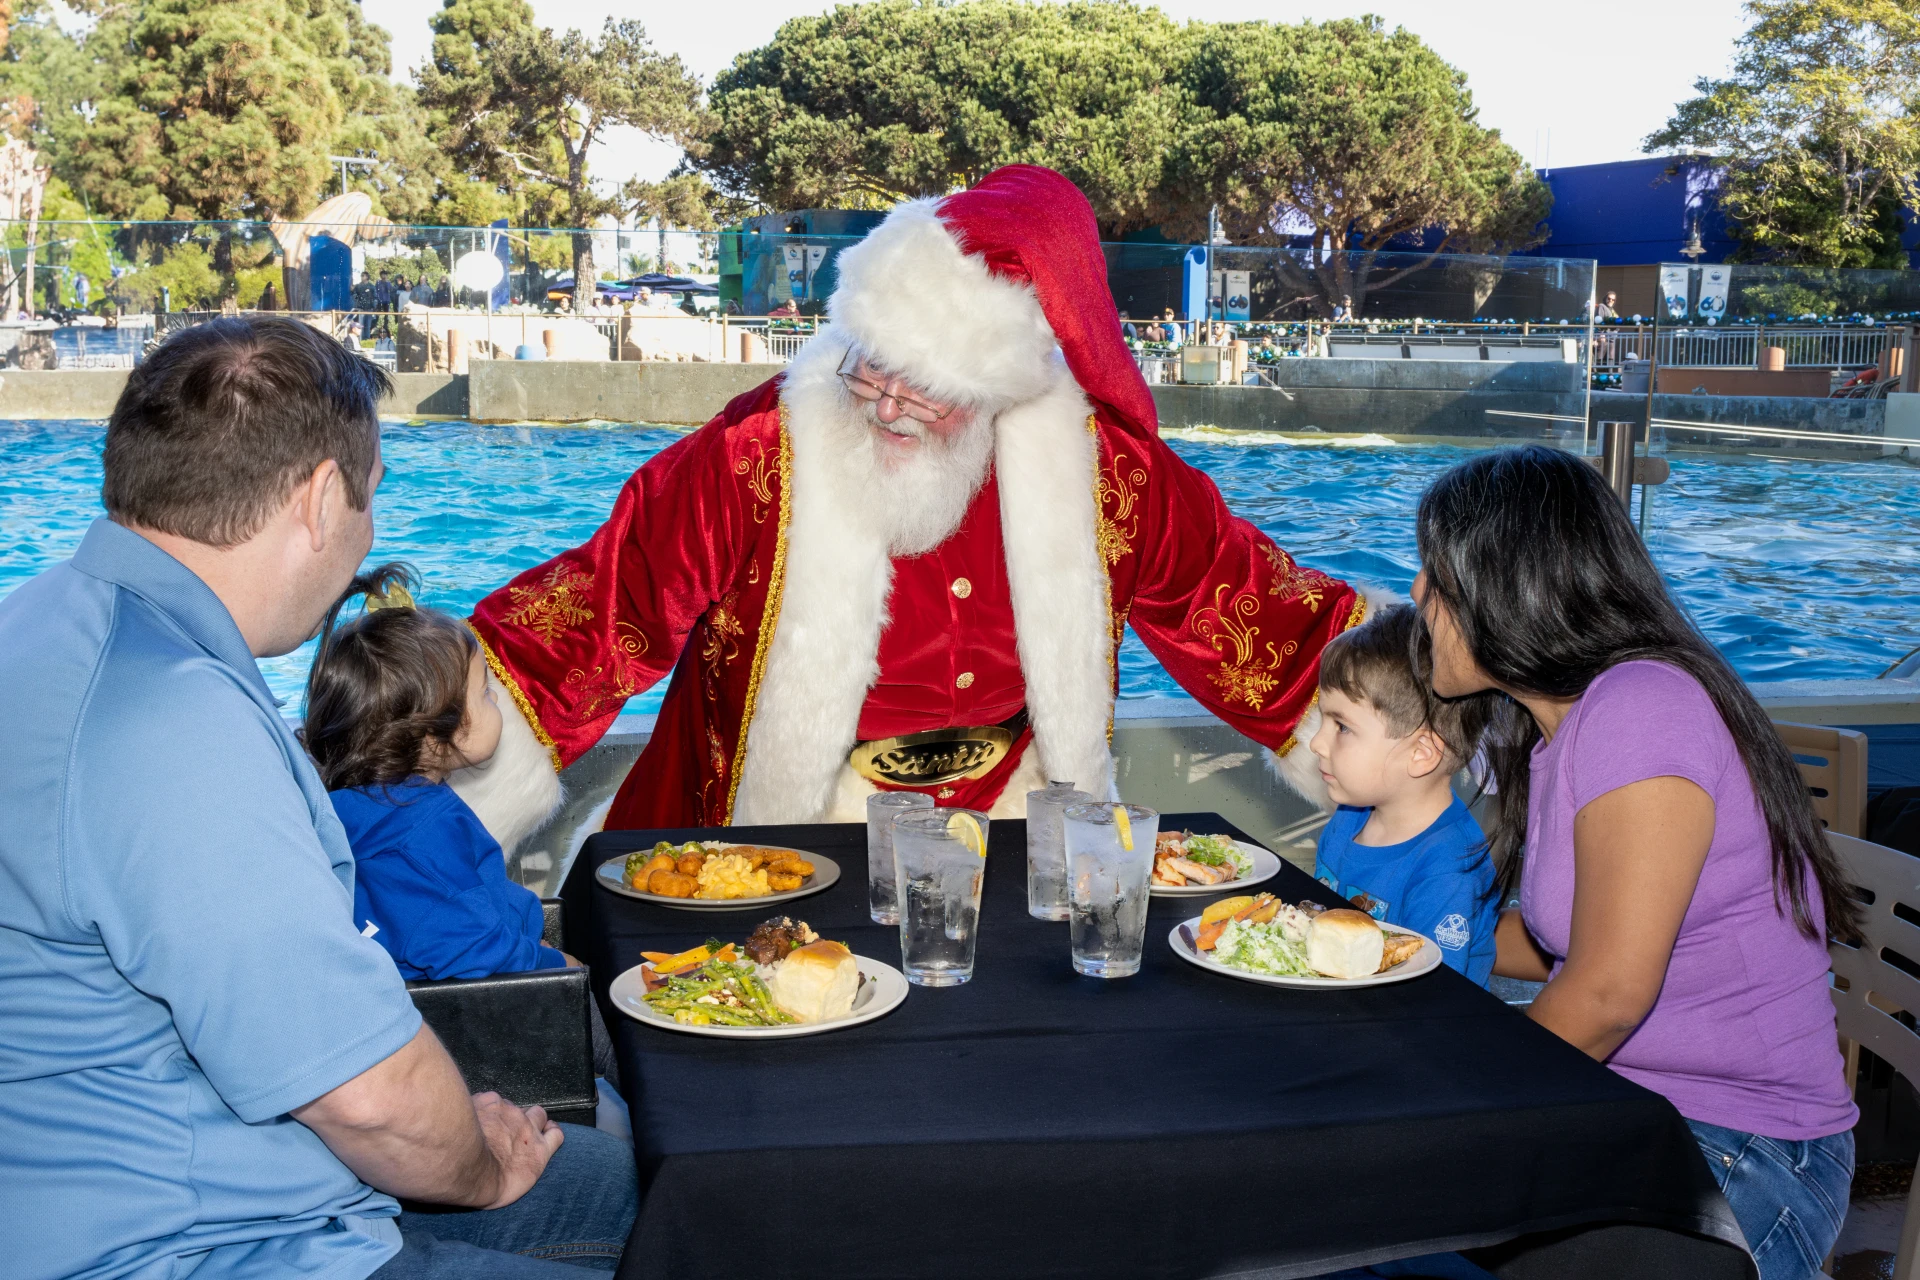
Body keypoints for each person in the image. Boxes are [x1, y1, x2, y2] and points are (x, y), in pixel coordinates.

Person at [447, 165, 1388, 854]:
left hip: (1020, 832)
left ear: (997, 388)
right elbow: (608, 602)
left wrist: (1406, 680)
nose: (887, 403)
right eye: (871, 366)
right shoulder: (755, 458)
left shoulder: (1106, 475)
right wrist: (435, 711)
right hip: (798, 833)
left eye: (926, 385)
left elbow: (1239, 600)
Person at [0, 316, 637, 1280]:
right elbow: (369, 1100)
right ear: (321, 497)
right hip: (206, 1242)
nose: (365, 534)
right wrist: (479, 1166)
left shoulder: (48, 627)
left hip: (129, 1179)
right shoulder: (173, 724)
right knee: (691, 1196)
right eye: (369, 500)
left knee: (646, 1178)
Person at [1412, 444, 1857, 1280]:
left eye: (1435, 574)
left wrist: (1451, 1102)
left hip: (1743, 1152)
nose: (1417, 596)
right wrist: (1393, 929)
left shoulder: (1642, 707)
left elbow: (1609, 994)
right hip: (1638, 1116)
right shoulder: (1559, 732)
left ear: (1502, 585)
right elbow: (1556, 945)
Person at [303, 563, 571, 983]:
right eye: (484, 693)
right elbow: (472, 953)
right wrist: (556, 968)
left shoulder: (354, 809)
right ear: (433, 736)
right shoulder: (422, 837)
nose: (496, 703)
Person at [1307, 604, 1497, 985]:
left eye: (1341, 726)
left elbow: (1425, 995)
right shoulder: (1349, 817)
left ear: (1421, 754)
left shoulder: (1448, 869)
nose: (1316, 743)